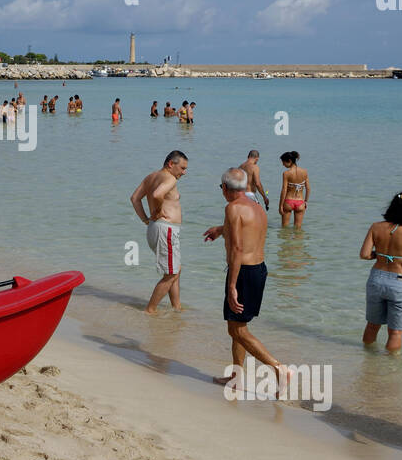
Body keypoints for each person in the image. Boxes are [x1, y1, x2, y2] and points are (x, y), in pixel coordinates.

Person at [204, 168, 290, 389]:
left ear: (225, 188)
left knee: (236, 330)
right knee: (238, 326)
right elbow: (245, 229)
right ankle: (236, 377)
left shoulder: (232, 208)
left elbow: (237, 248)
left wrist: (232, 286)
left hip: (243, 272)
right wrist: (220, 230)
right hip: (258, 270)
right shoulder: (257, 206)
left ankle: (277, 367)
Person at [360, 192, 402, 353]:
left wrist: (378, 255)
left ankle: (367, 359)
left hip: (376, 279)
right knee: (395, 332)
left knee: (372, 326)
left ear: (391, 206)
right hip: (399, 282)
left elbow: (364, 254)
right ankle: (391, 370)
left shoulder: (375, 227)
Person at [129, 150, 188, 315]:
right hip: (165, 229)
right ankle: (150, 310)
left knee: (175, 269)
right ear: (171, 164)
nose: (184, 172)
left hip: (156, 228)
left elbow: (135, 198)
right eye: (182, 168)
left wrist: (146, 219)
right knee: (171, 274)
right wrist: (158, 210)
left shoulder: (151, 177)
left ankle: (177, 308)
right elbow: (157, 194)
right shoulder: (170, 178)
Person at [278, 151, 309, 227]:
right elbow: (308, 188)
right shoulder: (304, 172)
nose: (283, 164)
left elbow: (284, 190)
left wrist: (280, 205)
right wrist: (305, 201)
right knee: (298, 229)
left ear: (289, 161)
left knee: (284, 228)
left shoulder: (286, 173)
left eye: (284, 162)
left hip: (288, 202)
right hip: (300, 202)